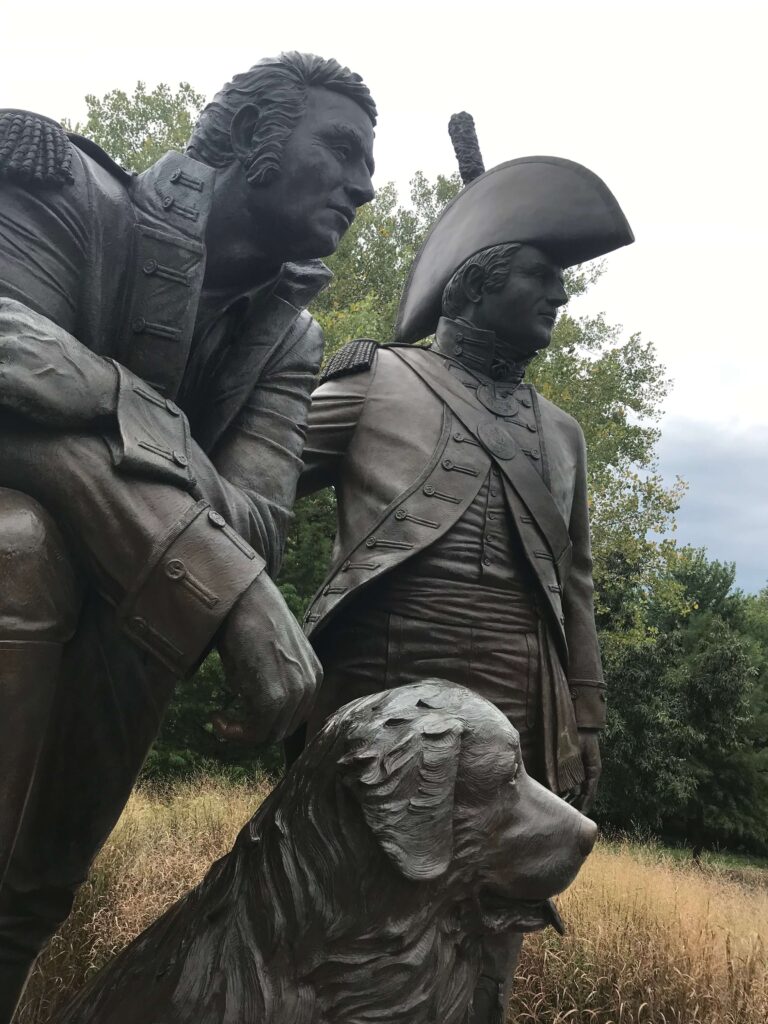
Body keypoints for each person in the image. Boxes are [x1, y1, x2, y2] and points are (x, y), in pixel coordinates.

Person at [0, 51, 375, 1019]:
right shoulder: (64, 189)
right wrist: (144, 409)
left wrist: (85, 398)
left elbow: (256, 519)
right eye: (339, 149)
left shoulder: (290, 338)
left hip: (131, 616)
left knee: (29, 902)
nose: (365, 184)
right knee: (20, 538)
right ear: (252, 139)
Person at [294, 156, 633, 1022]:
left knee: (486, 919)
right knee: (348, 904)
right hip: (384, 681)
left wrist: (585, 714)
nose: (560, 298)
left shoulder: (562, 435)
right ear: (479, 280)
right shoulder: (379, 381)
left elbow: (576, 583)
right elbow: (257, 477)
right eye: (541, 278)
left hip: (520, 696)